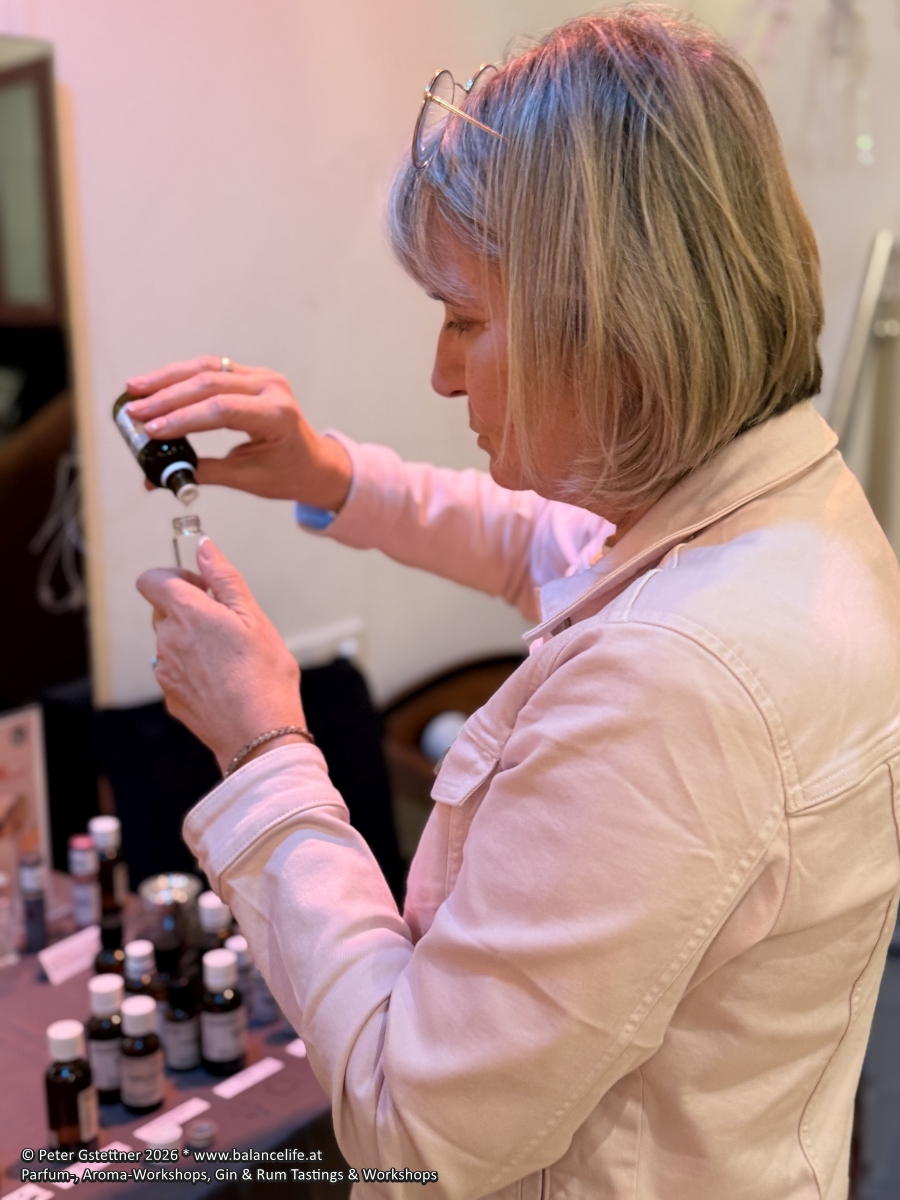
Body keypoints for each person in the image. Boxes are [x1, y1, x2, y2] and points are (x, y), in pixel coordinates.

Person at [132, 9, 900, 1197]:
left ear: (611, 320)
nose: (441, 373)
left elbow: (411, 1126)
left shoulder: (679, 683)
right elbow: (550, 542)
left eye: (465, 320)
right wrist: (328, 473)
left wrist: (261, 747)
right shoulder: (775, 510)